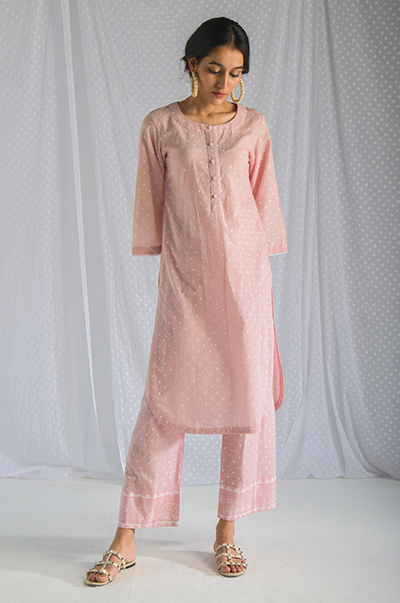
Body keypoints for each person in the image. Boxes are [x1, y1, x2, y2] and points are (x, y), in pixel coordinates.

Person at [86, 16, 287, 586]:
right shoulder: (160, 125)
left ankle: (227, 531)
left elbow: (263, 207)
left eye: (236, 73)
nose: (225, 83)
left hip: (246, 281)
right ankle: (126, 535)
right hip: (186, 282)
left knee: (246, 401)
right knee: (163, 401)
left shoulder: (254, 126)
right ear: (193, 64)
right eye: (215, 69)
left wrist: (258, 270)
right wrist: (164, 255)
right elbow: (152, 206)